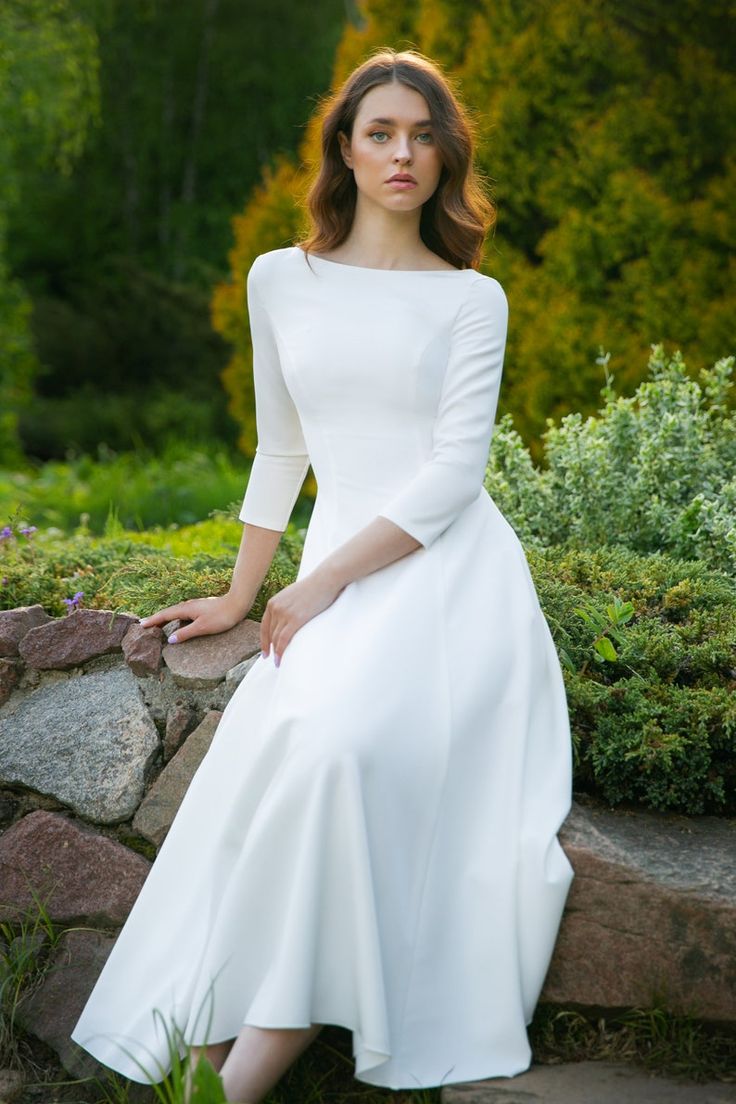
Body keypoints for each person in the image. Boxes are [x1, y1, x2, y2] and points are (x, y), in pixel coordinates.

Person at [71, 47, 574, 1104]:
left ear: (446, 155)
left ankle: (228, 1080)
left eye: (422, 133)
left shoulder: (470, 301)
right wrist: (245, 591)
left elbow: (451, 478)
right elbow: (280, 449)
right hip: (335, 576)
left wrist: (317, 585)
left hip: (448, 586)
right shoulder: (278, 278)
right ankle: (205, 1054)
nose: (402, 152)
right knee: (295, 748)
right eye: (379, 132)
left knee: (344, 754)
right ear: (343, 152)